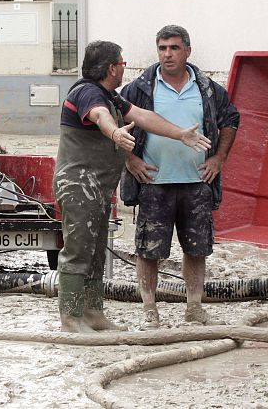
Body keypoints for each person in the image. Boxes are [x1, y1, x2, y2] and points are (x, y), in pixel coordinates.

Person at [54, 40, 211, 333]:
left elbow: (143, 116)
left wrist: (180, 134)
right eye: (122, 64)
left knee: (97, 250)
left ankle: (93, 313)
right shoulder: (87, 92)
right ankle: (71, 318)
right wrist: (115, 133)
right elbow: (99, 116)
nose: (123, 69)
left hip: (98, 188)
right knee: (78, 251)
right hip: (79, 185)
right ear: (112, 68)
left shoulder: (110, 96)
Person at [120, 25, 239, 328]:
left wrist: (219, 158)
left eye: (174, 48)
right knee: (148, 250)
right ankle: (149, 309)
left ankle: (194, 307)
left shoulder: (208, 89)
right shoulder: (140, 89)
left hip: (197, 181)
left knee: (196, 249)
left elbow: (230, 119)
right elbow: (111, 124)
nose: (167, 54)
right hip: (152, 182)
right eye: (162, 48)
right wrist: (130, 159)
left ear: (188, 50)